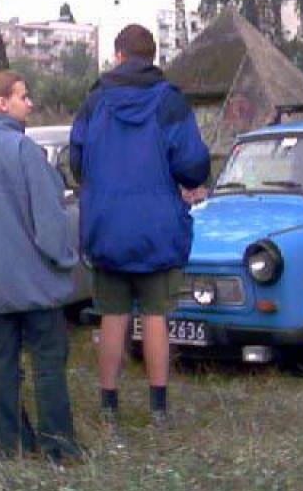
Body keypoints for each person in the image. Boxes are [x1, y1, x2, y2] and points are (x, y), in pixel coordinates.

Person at [70, 24, 210, 429]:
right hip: (157, 227)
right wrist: (185, 183)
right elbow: (192, 163)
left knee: (112, 317)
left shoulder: (94, 101)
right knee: (154, 317)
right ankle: (158, 410)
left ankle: (109, 408)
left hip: (107, 226)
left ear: (118, 55)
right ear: (153, 57)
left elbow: (76, 161)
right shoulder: (169, 102)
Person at [0, 71, 82, 462]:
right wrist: (64, 259)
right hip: (34, 277)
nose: (30, 103)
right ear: (1, 103)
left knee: (2, 361)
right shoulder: (23, 149)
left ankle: (7, 442)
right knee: (47, 360)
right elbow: (49, 218)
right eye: (23, 96)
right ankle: (58, 445)